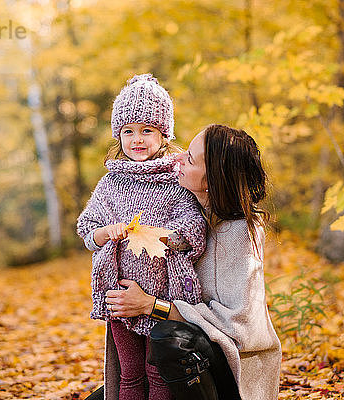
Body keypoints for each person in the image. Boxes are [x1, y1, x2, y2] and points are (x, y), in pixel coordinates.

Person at [103, 124, 282, 400]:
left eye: (189, 159)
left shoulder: (241, 232)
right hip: (187, 360)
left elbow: (235, 325)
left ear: (212, 180)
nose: (177, 160)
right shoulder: (190, 214)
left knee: (170, 339)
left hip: (232, 371)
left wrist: (150, 305)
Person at [77, 74, 207, 400]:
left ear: (163, 134)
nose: (137, 139)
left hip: (161, 298)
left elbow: (194, 228)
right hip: (119, 297)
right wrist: (106, 233)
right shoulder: (110, 183)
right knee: (130, 374)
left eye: (147, 130)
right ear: (118, 135)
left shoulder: (174, 181)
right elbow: (87, 230)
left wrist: (168, 238)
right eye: (128, 131)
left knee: (158, 371)